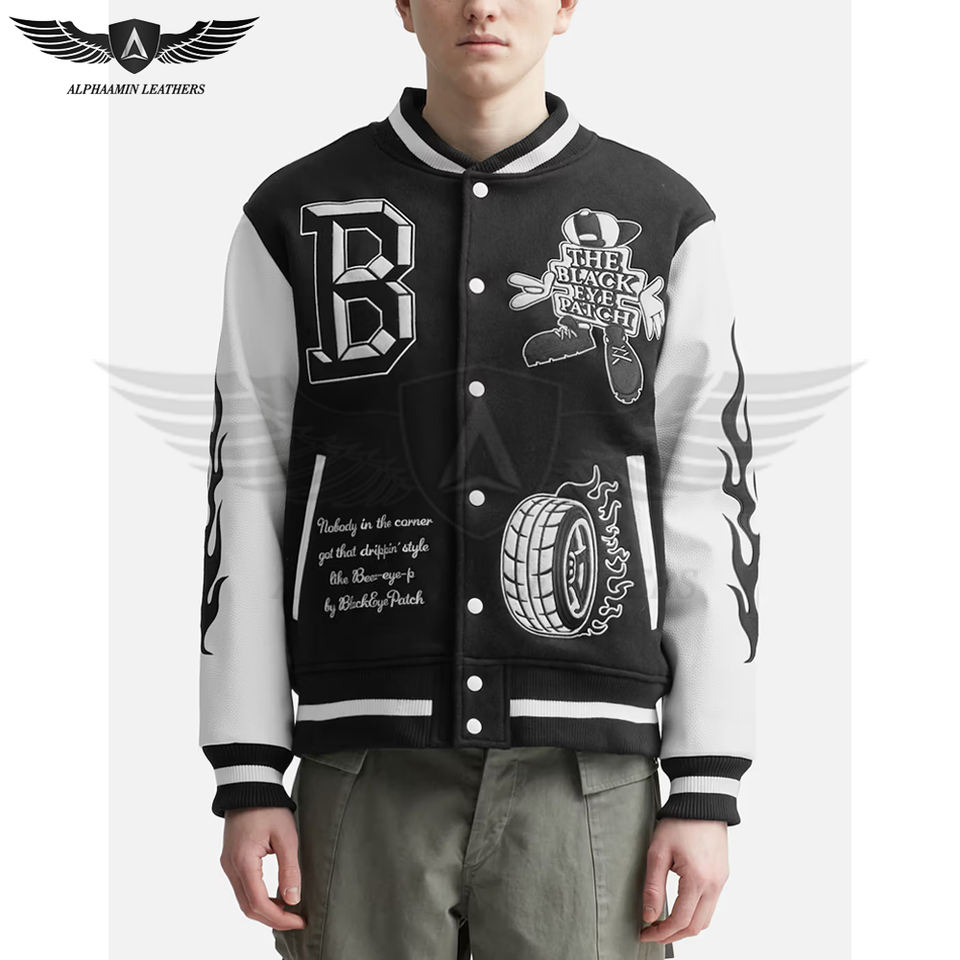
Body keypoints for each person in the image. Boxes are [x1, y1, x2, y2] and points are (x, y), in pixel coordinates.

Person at [198, 2, 761, 958]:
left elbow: (708, 498)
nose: (482, 6)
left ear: (567, 6)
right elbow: (245, 485)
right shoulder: (295, 212)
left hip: (589, 767)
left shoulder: (663, 219)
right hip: (362, 753)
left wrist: (707, 778)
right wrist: (248, 768)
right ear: (404, 6)